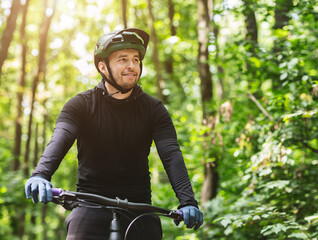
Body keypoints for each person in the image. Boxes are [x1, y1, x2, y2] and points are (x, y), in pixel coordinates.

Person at [24, 28, 203, 239]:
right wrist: (40, 174)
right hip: (89, 205)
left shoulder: (154, 109)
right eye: (123, 59)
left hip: (139, 208)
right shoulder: (80, 106)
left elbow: (171, 155)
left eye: (136, 59)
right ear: (103, 66)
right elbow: (60, 139)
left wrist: (188, 201)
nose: (132, 66)